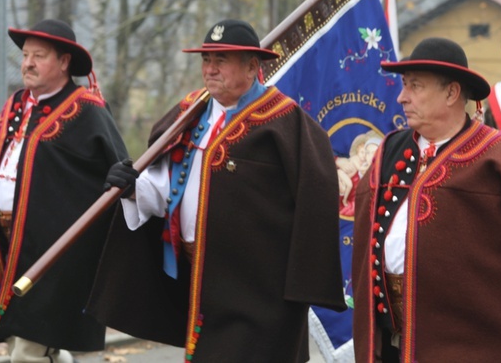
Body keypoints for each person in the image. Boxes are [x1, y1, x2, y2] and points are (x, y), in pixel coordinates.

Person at [89, 19, 346, 362]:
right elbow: (168, 188)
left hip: (261, 293)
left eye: (221, 60)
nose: (210, 69)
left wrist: (300, 289)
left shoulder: (285, 122)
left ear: (253, 66)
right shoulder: (190, 114)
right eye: (206, 60)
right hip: (200, 283)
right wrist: (132, 187)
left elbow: (317, 199)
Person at [352, 37, 501, 362]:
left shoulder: (499, 153)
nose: (402, 97)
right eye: (404, 85)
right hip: (393, 343)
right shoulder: (391, 150)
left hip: (473, 345)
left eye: (415, 86)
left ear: (451, 93)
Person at [0, 19, 129, 362]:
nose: (27, 63)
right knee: (20, 338)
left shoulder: (87, 110)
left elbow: (119, 177)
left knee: (29, 348)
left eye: (39, 56)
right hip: (6, 242)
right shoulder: (15, 104)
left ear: (64, 62)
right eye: (26, 55)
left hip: (55, 251)